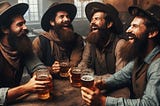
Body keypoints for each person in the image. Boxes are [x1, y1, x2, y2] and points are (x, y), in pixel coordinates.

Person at [81, 4, 160, 106]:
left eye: (134, 26)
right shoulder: (141, 55)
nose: (128, 30)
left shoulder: (157, 65)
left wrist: (104, 101)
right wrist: (104, 83)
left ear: (152, 33)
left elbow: (150, 103)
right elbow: (124, 75)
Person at [0, 1, 51, 105]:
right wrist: (26, 88)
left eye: (24, 23)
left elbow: (38, 67)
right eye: (20, 24)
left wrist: (42, 76)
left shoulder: (22, 46)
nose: (25, 27)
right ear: (5, 29)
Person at [78, 2, 129, 98]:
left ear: (109, 24)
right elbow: (84, 64)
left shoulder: (120, 44)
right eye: (92, 19)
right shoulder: (91, 42)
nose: (92, 22)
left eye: (96, 19)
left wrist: (92, 77)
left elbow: (120, 76)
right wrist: (79, 71)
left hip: (115, 89)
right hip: (94, 86)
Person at [32, 2, 84, 77]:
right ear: (52, 22)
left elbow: (75, 63)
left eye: (67, 16)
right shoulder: (40, 41)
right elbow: (34, 68)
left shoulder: (77, 39)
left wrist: (67, 67)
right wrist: (51, 69)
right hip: (48, 84)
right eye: (61, 17)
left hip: (72, 81)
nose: (66, 19)